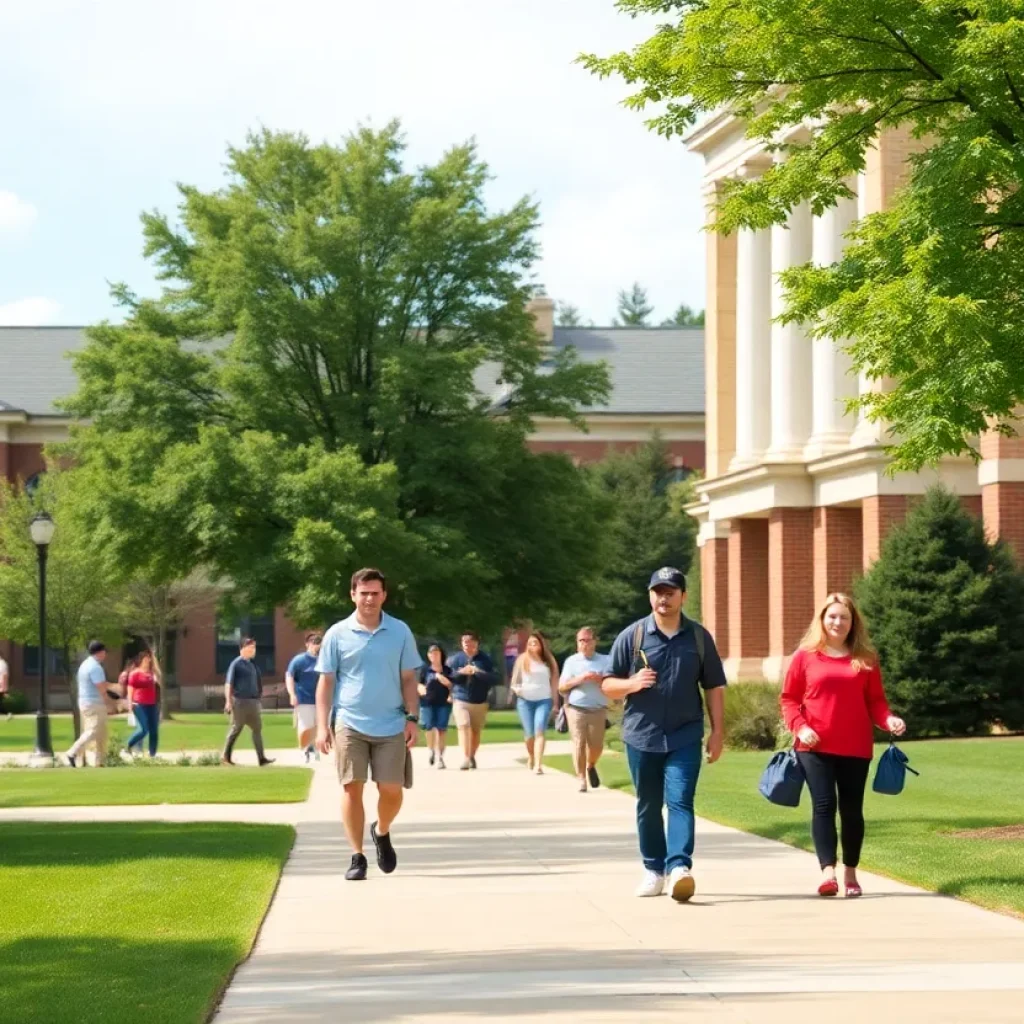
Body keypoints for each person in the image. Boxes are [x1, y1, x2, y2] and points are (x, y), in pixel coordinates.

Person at [604, 567, 727, 903]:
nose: (663, 598)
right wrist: (632, 683)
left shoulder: (699, 638)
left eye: (670, 592)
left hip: (685, 735)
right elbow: (607, 684)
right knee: (648, 804)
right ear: (650, 596)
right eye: (658, 592)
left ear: (683, 596)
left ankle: (679, 869)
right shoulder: (633, 636)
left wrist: (717, 733)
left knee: (680, 801)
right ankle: (652, 869)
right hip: (641, 736)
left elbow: (714, 686)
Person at [781, 592, 907, 899]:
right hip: (814, 745)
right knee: (824, 806)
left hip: (855, 745)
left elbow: (875, 701)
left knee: (852, 811)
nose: (838, 622)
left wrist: (888, 720)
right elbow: (789, 699)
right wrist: (801, 727)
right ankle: (828, 874)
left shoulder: (865, 659)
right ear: (822, 620)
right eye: (832, 616)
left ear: (853, 623)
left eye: (844, 617)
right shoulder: (805, 656)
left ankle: (851, 873)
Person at [314, 567, 422, 882]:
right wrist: (323, 726)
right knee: (352, 787)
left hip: (391, 722)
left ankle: (382, 830)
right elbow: (326, 683)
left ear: (384, 595)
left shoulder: (400, 631)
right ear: (353, 595)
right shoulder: (337, 634)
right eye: (364, 593)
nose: (369, 599)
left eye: (375, 593)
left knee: (391, 790)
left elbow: (408, 679)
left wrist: (412, 718)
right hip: (349, 721)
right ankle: (357, 855)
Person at [558, 626, 612, 792]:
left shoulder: (606, 660)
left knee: (596, 746)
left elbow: (614, 682)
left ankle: (591, 765)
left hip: (598, 708)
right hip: (575, 708)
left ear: (595, 641)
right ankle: (581, 778)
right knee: (578, 742)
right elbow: (562, 687)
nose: (584, 644)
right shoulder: (571, 662)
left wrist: (599, 679)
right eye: (581, 640)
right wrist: (580, 679)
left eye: (587, 640)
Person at [509, 631, 559, 775]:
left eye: (535, 643)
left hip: (544, 700)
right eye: (530, 643)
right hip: (525, 701)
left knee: (539, 731)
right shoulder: (522, 659)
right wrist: (517, 690)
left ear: (541, 645)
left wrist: (556, 703)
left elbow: (554, 683)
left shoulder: (548, 660)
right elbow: (515, 680)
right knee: (529, 734)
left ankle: (538, 764)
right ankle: (531, 756)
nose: (532, 646)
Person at [221, 637, 275, 767]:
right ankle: (225, 757)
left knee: (257, 729)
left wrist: (258, 698)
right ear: (242, 648)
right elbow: (229, 684)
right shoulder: (236, 664)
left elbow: (257, 683)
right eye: (250, 647)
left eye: (254, 647)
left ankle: (261, 758)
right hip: (239, 702)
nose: (253, 650)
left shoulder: (252, 665)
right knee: (236, 728)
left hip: (253, 702)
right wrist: (228, 701)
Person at [447, 631, 496, 770]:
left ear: (477, 644)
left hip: (480, 700)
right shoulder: (455, 659)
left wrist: (477, 672)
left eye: (471, 643)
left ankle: (472, 755)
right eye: (465, 643)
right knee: (463, 726)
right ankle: (465, 758)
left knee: (475, 731)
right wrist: (461, 672)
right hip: (460, 698)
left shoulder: (485, 659)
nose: (468, 646)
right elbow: (449, 677)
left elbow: (493, 678)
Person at [66, 641, 111, 767]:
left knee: (101, 732)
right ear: (100, 652)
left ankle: (99, 761)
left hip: (86, 702)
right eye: (104, 652)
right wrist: (109, 703)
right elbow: (101, 688)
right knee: (93, 730)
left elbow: (101, 684)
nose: (105, 654)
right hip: (94, 703)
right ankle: (72, 752)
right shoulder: (95, 667)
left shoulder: (85, 664)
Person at [286, 633, 323, 762]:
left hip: (320, 701)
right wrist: (292, 694)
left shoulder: (323, 660)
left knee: (318, 726)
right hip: (304, 700)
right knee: (305, 726)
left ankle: (314, 748)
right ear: (307, 644)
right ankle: (304, 750)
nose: (316, 645)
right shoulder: (299, 660)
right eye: (313, 642)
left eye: (318, 642)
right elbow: (289, 676)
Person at [419, 643, 453, 769]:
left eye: (436, 653)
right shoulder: (424, 670)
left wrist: (440, 677)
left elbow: (451, 684)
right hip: (427, 703)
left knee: (441, 729)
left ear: (441, 655)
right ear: (428, 656)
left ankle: (440, 757)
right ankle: (431, 750)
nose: (434, 655)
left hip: (443, 703)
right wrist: (421, 688)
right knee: (429, 728)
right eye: (431, 653)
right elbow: (418, 684)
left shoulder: (447, 670)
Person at [125, 650, 162, 758]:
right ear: (141, 660)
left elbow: (159, 681)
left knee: (154, 731)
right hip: (139, 704)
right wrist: (130, 702)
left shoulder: (153, 673)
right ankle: (128, 745)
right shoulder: (135, 673)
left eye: (149, 659)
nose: (148, 661)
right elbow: (130, 688)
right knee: (143, 729)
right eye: (146, 659)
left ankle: (152, 755)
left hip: (152, 705)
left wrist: (155, 662)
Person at [0, 652, 10, 719]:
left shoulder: (2, 664)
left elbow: (5, 676)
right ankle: (8, 714)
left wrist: (4, 688)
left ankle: (8, 714)